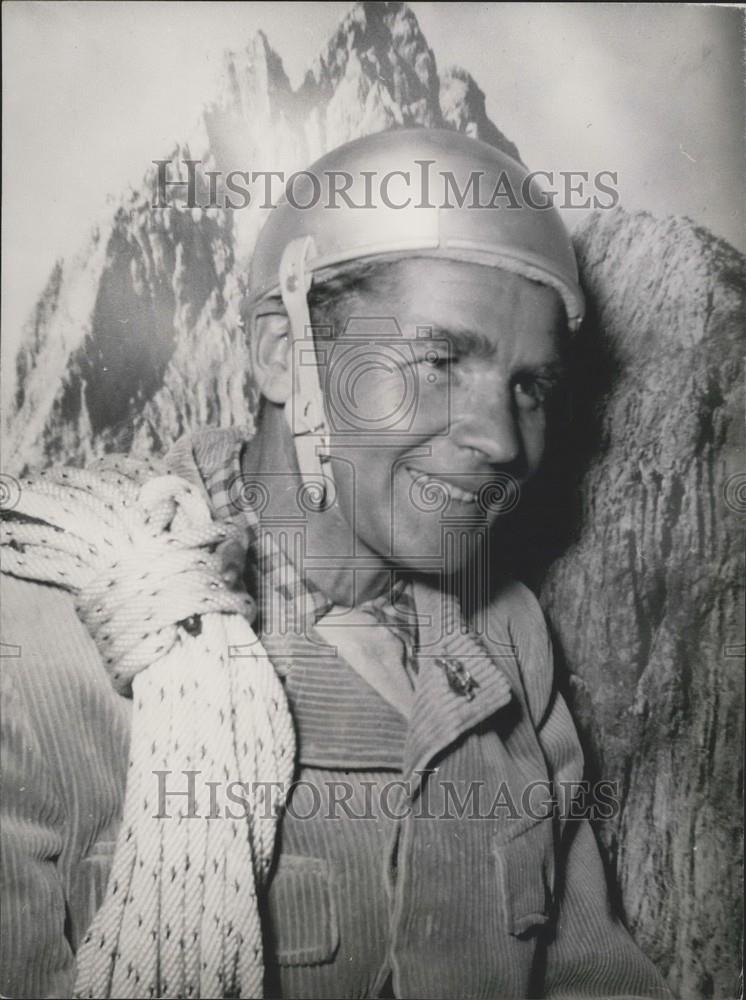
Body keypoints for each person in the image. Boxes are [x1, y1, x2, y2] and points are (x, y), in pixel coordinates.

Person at [0, 128, 672, 999]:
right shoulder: (48, 636)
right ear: (286, 353)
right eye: (438, 360)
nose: (503, 440)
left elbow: (590, 978)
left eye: (530, 387)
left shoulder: (507, 638)